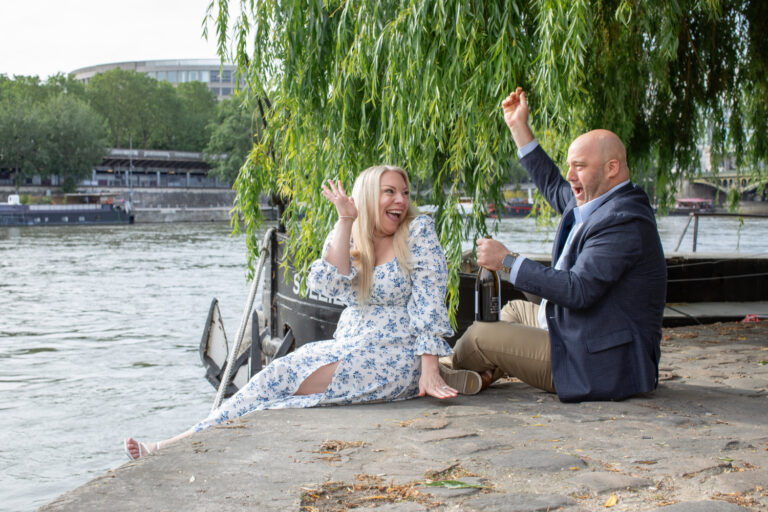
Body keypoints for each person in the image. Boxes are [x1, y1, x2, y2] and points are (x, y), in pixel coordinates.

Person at [125, 165, 481, 459]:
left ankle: (176, 447)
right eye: (390, 192)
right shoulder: (354, 234)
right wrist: (344, 220)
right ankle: (180, 441)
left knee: (284, 393)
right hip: (347, 344)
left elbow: (429, 300)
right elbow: (327, 285)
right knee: (274, 376)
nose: (401, 200)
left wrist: (430, 369)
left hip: (395, 353)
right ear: (370, 196)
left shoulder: (418, 233)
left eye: (404, 192)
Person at [448, 87, 667, 403]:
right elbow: (552, 184)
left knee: (481, 336)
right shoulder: (596, 202)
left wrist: (507, 261)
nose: (570, 175)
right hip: (576, 333)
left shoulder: (623, 220)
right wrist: (518, 126)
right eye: (569, 165)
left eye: (579, 166)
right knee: (513, 311)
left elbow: (578, 290)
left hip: (595, 363)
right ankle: (480, 374)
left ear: (612, 168)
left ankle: (442, 370)